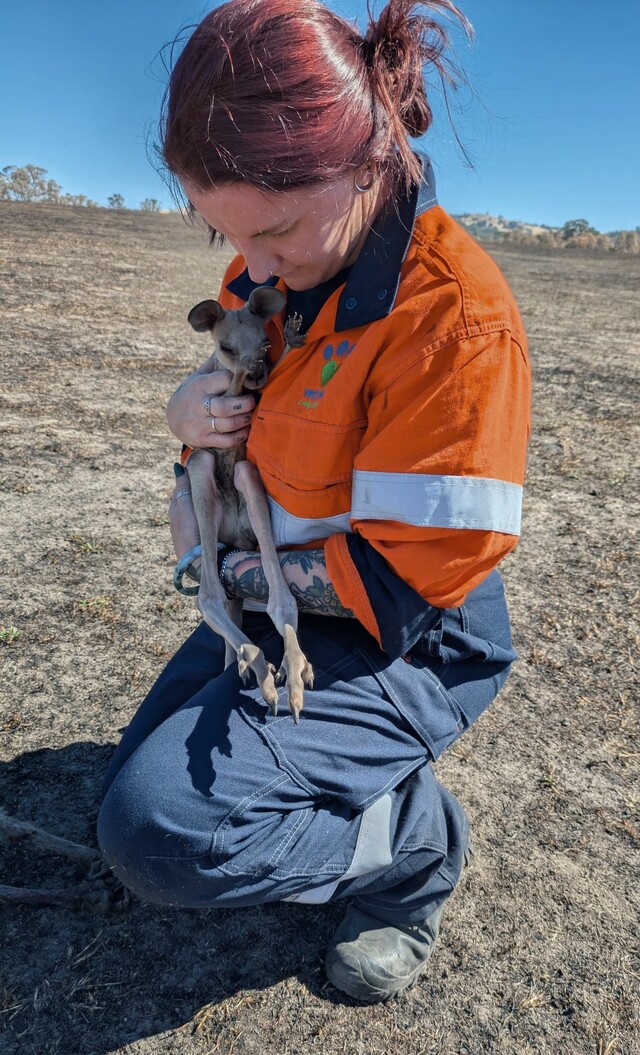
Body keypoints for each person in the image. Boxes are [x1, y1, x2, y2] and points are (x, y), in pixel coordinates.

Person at [98, 0, 531, 1003]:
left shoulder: (452, 321)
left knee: (162, 832)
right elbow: (234, 455)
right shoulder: (277, 283)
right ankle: (332, 783)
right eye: (227, 233)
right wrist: (190, 426)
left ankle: (415, 848)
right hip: (277, 596)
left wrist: (211, 565)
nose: (248, 269)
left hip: (406, 634)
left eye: (275, 229)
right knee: (132, 792)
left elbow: (395, 586)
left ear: (369, 161)